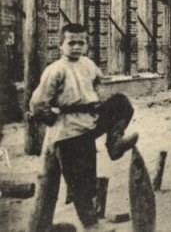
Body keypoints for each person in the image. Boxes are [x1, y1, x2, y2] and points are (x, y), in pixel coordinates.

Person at [29, 23, 139, 231]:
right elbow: (37, 102)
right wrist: (51, 119)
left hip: (90, 120)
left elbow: (98, 83)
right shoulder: (56, 70)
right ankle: (91, 226)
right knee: (82, 182)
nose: (77, 47)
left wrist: (97, 99)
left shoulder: (87, 64)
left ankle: (114, 142)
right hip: (69, 130)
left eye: (81, 43)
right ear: (61, 45)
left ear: (87, 45)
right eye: (71, 43)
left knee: (121, 103)